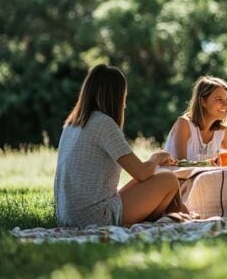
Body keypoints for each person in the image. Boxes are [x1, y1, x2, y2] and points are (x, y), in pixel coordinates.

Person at [54, 64, 186, 228]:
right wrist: (157, 157)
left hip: (67, 216)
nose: (124, 104)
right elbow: (142, 173)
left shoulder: (72, 125)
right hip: (94, 218)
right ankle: (183, 214)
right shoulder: (103, 123)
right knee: (169, 179)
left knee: (157, 176)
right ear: (115, 96)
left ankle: (179, 212)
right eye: (124, 97)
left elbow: (141, 176)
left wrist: (153, 165)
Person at [164, 76, 227, 161]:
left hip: (204, 175)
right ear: (203, 101)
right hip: (176, 174)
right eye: (219, 99)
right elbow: (182, 164)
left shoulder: (223, 130)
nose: (226, 104)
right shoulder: (184, 124)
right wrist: (212, 162)